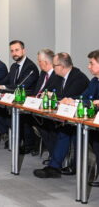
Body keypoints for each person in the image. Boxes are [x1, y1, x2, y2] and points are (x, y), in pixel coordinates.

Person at [34, 52, 89, 178]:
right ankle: (55, 165)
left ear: (62, 66)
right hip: (68, 119)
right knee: (54, 128)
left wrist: (55, 97)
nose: (53, 68)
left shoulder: (78, 78)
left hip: (81, 120)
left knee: (67, 132)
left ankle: (69, 165)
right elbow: (52, 93)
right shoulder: (60, 77)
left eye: (54, 65)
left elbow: (68, 98)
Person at [57, 50, 99, 186]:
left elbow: (94, 103)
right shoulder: (94, 81)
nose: (88, 66)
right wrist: (71, 100)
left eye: (91, 63)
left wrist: (81, 102)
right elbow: (85, 97)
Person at [0, 40, 39, 147]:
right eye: (12, 51)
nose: (14, 53)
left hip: (26, 102)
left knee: (14, 118)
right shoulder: (14, 66)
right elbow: (5, 81)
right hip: (12, 101)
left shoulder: (30, 67)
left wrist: (2, 87)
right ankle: (14, 138)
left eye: (17, 50)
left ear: (23, 50)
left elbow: (22, 86)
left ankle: (28, 143)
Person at [20, 49, 64, 155]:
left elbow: (59, 95)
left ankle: (52, 153)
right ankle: (29, 145)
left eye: (39, 61)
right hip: (36, 108)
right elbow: (37, 92)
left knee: (46, 126)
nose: (38, 63)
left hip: (49, 111)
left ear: (46, 62)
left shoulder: (57, 75)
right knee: (21, 116)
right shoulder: (43, 73)